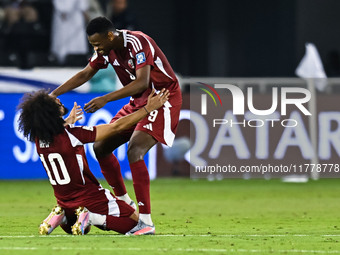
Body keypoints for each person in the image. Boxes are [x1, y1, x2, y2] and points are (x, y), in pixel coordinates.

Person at [49, 16, 182, 235]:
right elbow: (85, 73)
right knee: (100, 147)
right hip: (139, 100)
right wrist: (53, 94)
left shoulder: (138, 42)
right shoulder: (106, 50)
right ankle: (124, 202)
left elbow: (142, 82)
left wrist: (105, 99)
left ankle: (146, 222)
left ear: (110, 35)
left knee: (135, 150)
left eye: (98, 43)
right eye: (93, 45)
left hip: (161, 98)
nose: (96, 48)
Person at [17, 88, 169, 235]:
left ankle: (61, 215)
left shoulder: (39, 139)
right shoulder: (73, 135)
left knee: (82, 227)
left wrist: (67, 121)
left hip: (64, 202)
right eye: (56, 103)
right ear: (51, 114)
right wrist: (148, 109)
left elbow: (57, 134)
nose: (58, 100)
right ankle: (91, 216)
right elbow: (116, 127)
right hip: (90, 198)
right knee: (137, 223)